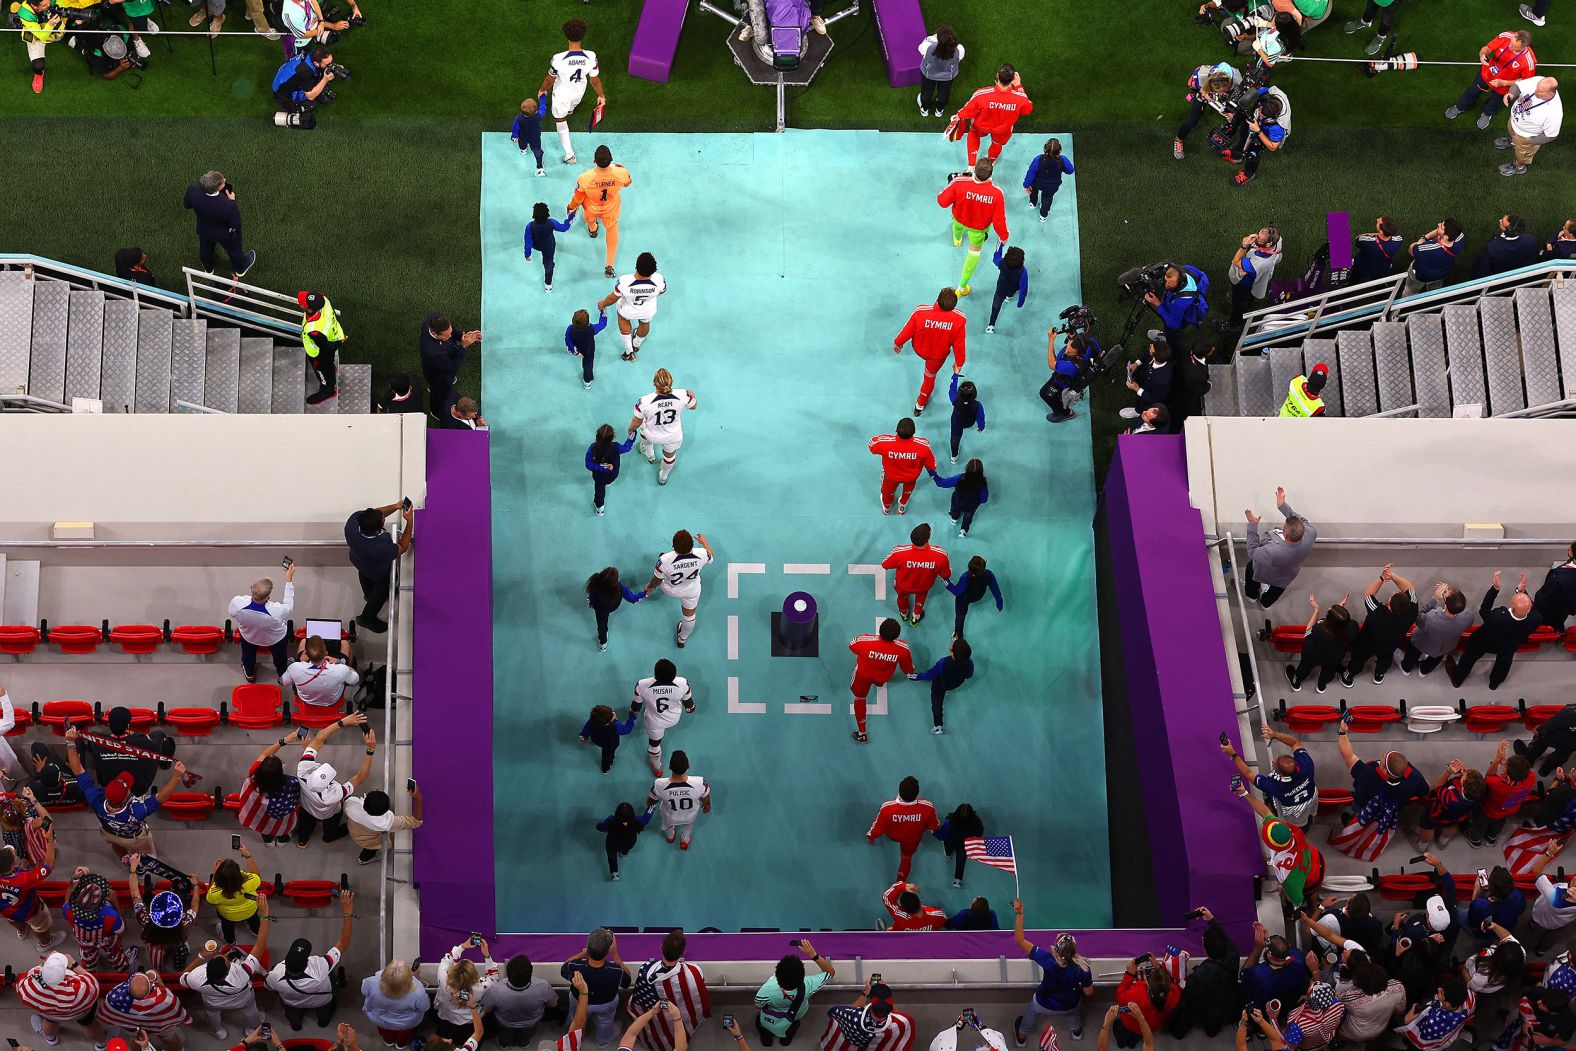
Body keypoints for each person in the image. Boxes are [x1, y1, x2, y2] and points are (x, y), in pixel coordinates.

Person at [65, 726, 184, 858]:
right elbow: (160, 798)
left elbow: (78, 772)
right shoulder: (136, 811)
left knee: (116, 845)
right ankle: (146, 862)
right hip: (134, 838)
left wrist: (70, 743)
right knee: (147, 850)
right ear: (126, 795)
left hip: (109, 833)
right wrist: (177, 777)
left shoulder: (96, 799)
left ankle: (124, 861)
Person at [1328, 724, 1429, 860]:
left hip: (1363, 805)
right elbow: (1426, 789)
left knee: (1357, 814)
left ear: (1384, 770)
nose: (1382, 756)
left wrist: (1342, 733)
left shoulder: (1368, 774)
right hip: (1390, 812)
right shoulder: (1415, 777)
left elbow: (1348, 756)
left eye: (1383, 760)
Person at [180, 893, 270, 1038]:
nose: (223, 956)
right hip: (242, 1000)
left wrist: (201, 956)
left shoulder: (196, 977)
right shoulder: (241, 975)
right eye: (226, 960)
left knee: (212, 1014)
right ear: (228, 970)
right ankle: (252, 1029)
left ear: (207, 968)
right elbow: (260, 945)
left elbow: (183, 977)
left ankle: (217, 1031)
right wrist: (264, 914)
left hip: (212, 1001)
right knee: (251, 1011)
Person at [265, 890, 355, 1030]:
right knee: (325, 1012)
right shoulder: (320, 968)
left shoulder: (276, 974)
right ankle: (323, 1022)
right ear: (307, 962)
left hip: (292, 1003)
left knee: (293, 1015)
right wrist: (347, 912)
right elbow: (343, 944)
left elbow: (269, 987)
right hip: (322, 1001)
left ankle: (296, 1025)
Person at [1011, 900, 1094, 1042]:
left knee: (1032, 1010)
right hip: (1070, 1003)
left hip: (1044, 1002)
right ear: (1074, 949)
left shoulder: (1047, 959)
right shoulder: (1084, 966)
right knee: (1074, 1013)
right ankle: (1077, 1032)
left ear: (1057, 948)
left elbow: (1020, 939)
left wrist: (1019, 912)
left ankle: (1022, 1036)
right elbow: (1089, 992)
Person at [1447, 571, 1543, 690]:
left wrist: (1495, 589)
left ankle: (1457, 679)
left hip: (1483, 642)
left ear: (1512, 607)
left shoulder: (1497, 617)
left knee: (1469, 658)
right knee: (1504, 663)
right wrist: (1521, 591)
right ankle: (1494, 683)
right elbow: (1529, 607)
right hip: (1509, 645)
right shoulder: (1536, 618)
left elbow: (1484, 610)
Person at [296, 714, 374, 846]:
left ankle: (302, 841)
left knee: (304, 827)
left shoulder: (303, 769)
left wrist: (343, 722)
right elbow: (361, 776)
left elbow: (319, 738)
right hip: (329, 813)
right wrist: (370, 749)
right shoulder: (335, 793)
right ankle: (328, 838)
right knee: (330, 829)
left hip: (306, 806)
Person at [537, 19, 605, 166]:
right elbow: (595, 80)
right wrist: (601, 96)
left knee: (560, 119)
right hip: (579, 92)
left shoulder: (558, 58)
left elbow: (549, 79)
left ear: (566, 36)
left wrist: (542, 90)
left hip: (561, 96)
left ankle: (569, 154)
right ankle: (570, 110)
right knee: (570, 108)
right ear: (583, 35)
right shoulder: (591, 57)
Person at [936, 161, 1007, 297]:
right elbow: (999, 220)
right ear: (991, 175)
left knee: (957, 228)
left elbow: (942, 201)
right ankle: (961, 288)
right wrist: (1004, 236)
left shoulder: (958, 182)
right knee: (973, 254)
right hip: (978, 231)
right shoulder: (997, 193)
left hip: (959, 220)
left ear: (974, 171)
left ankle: (957, 240)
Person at [1224, 726, 1317, 829]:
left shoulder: (1274, 786)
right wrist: (1275, 735)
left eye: (1274, 763)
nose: (1272, 761)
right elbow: (1295, 743)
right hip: (1312, 795)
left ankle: (1302, 830)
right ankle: (1310, 817)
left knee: (1299, 826)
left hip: (1295, 810)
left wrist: (1233, 755)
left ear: (1280, 774)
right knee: (1311, 812)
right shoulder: (1307, 764)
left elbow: (1249, 773)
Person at [893, 290, 968, 415]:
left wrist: (898, 343)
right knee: (929, 378)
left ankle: (920, 404)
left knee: (929, 378)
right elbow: (959, 345)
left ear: (938, 300)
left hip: (920, 349)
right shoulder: (959, 319)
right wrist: (959, 363)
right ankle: (920, 405)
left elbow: (907, 330)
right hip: (937, 357)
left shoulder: (921, 311)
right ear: (954, 305)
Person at [344, 500, 413, 634]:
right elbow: (403, 547)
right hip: (378, 571)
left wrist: (395, 506)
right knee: (383, 586)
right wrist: (410, 521)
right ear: (378, 529)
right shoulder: (381, 547)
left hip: (359, 560)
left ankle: (369, 595)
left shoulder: (352, 523)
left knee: (364, 574)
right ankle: (367, 617)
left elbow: (375, 514)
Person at [1447, 30, 1537, 131]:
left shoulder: (1529, 61)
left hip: (1503, 86)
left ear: (1524, 47)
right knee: (1472, 91)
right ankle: (1460, 106)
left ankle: (1487, 114)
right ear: (1513, 36)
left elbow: (1525, 81)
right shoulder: (1506, 36)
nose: (1510, 46)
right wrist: (1482, 55)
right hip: (1487, 73)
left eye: (1515, 47)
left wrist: (1504, 83)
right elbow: (1487, 48)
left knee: (1495, 101)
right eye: (1511, 43)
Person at [1244, 488, 1317, 608]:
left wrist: (1252, 526)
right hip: (1287, 575)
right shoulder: (1311, 533)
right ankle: (1265, 604)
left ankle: (1251, 596)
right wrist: (1282, 506)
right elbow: (1302, 520)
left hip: (1265, 572)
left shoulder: (1272, 552)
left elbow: (1252, 551)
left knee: (1250, 568)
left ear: (1285, 534)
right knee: (1277, 589)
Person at [561, 928, 633, 1049]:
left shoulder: (574, 966)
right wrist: (615, 954)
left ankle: (576, 1036)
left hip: (578, 1002)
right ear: (607, 951)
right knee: (605, 1021)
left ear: (588, 948)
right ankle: (603, 1042)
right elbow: (627, 981)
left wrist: (583, 953)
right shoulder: (617, 971)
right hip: (605, 1004)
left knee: (576, 1018)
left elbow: (564, 967)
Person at [1344, 565, 1417, 685]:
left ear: (1389, 605)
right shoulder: (1412, 610)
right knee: (1385, 660)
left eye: (1393, 595)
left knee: (1358, 659)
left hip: (1367, 643)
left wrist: (1383, 577)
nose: (1393, 592)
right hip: (1389, 645)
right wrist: (1393, 576)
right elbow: (1410, 588)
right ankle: (1379, 675)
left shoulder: (1377, 612)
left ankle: (1349, 676)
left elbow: (1368, 594)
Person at [754, 939, 835, 1046]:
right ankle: (785, 1041)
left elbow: (758, 1004)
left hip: (770, 1019)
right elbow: (830, 972)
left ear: (777, 975)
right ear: (802, 976)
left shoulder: (768, 988)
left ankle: (766, 1040)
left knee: (762, 1027)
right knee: (791, 1030)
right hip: (794, 1017)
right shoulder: (809, 985)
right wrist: (814, 955)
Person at [569, 145, 633, 279]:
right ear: (611, 159)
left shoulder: (584, 178)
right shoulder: (621, 172)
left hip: (592, 208)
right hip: (611, 208)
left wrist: (571, 206)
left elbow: (578, 198)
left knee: (589, 219)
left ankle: (593, 229)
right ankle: (609, 265)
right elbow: (628, 183)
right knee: (612, 228)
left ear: (594, 160)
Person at [16, 951, 104, 1047]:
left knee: (50, 1022)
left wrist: (47, 962)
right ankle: (102, 1043)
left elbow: (30, 974)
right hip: (81, 1013)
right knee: (89, 1025)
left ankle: (50, 1038)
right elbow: (93, 984)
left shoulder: (27, 984)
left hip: (50, 1013)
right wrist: (74, 965)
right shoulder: (78, 990)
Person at [125, 853, 196, 972]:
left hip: (154, 944)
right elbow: (194, 907)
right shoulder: (184, 921)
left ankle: (159, 972)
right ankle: (178, 966)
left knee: (156, 964)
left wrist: (133, 869)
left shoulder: (145, 919)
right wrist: (197, 885)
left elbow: (135, 894)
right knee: (180, 954)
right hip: (177, 940)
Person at [848, 619, 915, 744]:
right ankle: (878, 684)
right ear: (897, 636)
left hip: (862, 676)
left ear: (880, 631)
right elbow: (908, 669)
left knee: (859, 698)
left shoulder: (865, 641)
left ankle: (862, 733)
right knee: (879, 683)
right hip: (883, 677)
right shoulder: (903, 649)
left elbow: (851, 645)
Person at [645, 529, 715, 649]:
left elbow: (657, 579)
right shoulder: (703, 553)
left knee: (662, 566)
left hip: (670, 590)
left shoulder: (664, 560)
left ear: (673, 546)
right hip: (691, 590)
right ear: (692, 545)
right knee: (689, 617)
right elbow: (711, 557)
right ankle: (682, 639)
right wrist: (705, 543)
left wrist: (650, 587)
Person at [628, 368, 697, 487]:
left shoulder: (644, 401)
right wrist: (691, 394)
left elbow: (636, 421)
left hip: (652, 435)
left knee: (643, 426)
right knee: (670, 456)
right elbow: (693, 406)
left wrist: (630, 430)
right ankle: (663, 477)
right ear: (671, 382)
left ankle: (650, 455)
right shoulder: (683, 394)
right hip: (673, 436)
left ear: (654, 383)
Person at [182, 172, 257, 279]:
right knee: (234, 250)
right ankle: (241, 267)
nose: (225, 180)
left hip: (204, 229)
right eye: (223, 182)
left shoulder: (192, 191)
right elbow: (235, 224)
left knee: (206, 249)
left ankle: (208, 268)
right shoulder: (228, 205)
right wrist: (232, 201)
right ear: (217, 188)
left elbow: (187, 205)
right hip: (224, 234)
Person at [955, 64, 1033, 167]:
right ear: (1013, 79)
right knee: (997, 144)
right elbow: (1027, 110)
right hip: (1003, 129)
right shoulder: (1020, 98)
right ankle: (989, 165)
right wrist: (1018, 86)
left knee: (973, 132)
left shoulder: (982, 94)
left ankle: (971, 166)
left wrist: (958, 115)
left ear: (997, 75)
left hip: (981, 125)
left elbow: (967, 111)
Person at [630, 658, 695, 777]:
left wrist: (633, 712)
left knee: (654, 744)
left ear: (655, 674)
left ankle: (657, 767)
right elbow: (688, 701)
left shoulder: (642, 685)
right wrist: (690, 708)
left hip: (654, 722)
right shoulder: (682, 683)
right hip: (674, 718)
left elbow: (636, 705)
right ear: (674, 674)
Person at [597, 252, 667, 362]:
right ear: (654, 269)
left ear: (637, 266)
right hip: (648, 310)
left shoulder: (624, 281)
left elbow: (613, 298)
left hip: (627, 310)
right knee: (645, 324)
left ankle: (629, 352)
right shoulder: (659, 280)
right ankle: (636, 344)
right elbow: (662, 291)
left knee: (622, 319)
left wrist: (603, 304)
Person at [95, 971, 192, 1049]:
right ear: (150, 987)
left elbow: (108, 1010)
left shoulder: (115, 997)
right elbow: (176, 1009)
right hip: (161, 1027)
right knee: (170, 1038)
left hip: (132, 1029)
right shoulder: (164, 1000)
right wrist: (156, 976)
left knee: (136, 1041)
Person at [867, 775, 937, 880]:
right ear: (917, 793)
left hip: (893, 835)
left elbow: (878, 826)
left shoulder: (887, 808)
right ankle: (899, 884)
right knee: (906, 858)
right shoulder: (928, 807)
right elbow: (934, 826)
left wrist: (871, 836)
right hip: (911, 840)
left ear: (899, 792)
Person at [1466, 741, 1536, 846]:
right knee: (1499, 824)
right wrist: (1503, 761)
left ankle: (1475, 840)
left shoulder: (1496, 784)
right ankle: (1491, 838)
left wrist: (1497, 759)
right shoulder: (1531, 776)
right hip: (1509, 809)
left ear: (1507, 774)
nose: (1504, 762)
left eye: (1505, 764)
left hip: (1488, 811)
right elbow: (1515, 772)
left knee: (1479, 825)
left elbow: (1488, 777)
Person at [0, 836, 62, 952]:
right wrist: (50, 841)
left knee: (12, 919)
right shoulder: (23, 878)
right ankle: (45, 943)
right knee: (41, 926)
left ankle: (22, 931)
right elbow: (47, 867)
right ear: (13, 865)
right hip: (30, 911)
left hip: (5, 910)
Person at [882, 523, 952, 625]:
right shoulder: (940, 555)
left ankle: (904, 614)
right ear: (928, 538)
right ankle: (915, 617)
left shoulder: (899, 552)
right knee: (921, 599)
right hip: (923, 586)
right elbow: (946, 575)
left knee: (902, 598)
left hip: (903, 586)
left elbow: (885, 564)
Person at [237, 735, 301, 846]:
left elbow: (264, 754)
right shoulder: (292, 783)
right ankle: (282, 839)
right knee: (282, 827)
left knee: (265, 828)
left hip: (261, 817)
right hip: (283, 816)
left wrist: (284, 741)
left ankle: (268, 841)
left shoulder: (253, 774)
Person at [482, 955, 558, 1046]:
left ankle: (504, 1044)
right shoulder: (544, 986)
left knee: (504, 1037)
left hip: (505, 1023)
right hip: (531, 1023)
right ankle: (524, 1044)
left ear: (508, 973)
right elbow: (553, 1004)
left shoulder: (495, 990)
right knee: (526, 1037)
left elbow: (486, 1009)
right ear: (530, 973)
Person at [1401, 582, 1474, 676]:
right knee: (1434, 660)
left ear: (1446, 605)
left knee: (1411, 655)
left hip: (1421, 642)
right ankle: (1423, 671)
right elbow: (1459, 606)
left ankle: (1406, 670)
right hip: (1444, 647)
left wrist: (1434, 599)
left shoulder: (1431, 618)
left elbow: (1418, 618)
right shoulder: (1468, 616)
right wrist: (1450, 596)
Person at [434, 937, 499, 1043]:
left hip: (447, 1016)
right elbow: (493, 977)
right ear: (475, 976)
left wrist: (462, 946)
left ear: (453, 970)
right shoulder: (481, 988)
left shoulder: (443, 978)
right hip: (471, 1020)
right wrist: (487, 955)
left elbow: (447, 959)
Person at [1173, 61, 1241, 160]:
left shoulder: (1237, 81)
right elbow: (1203, 90)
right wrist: (1207, 96)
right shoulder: (1205, 76)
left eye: (1220, 91)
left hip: (1227, 93)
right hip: (1206, 92)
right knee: (1193, 119)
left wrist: (1226, 108)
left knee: (1234, 113)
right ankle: (1178, 140)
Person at [1285, 595, 1352, 695]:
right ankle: (1321, 685)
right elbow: (1340, 625)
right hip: (1334, 657)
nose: (1329, 608)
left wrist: (1316, 610)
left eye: (1330, 611)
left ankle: (1296, 682)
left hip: (1313, 655)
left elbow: (1307, 633)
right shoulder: (1352, 628)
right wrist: (1339, 613)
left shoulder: (1319, 629)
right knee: (1329, 671)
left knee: (1305, 667)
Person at [869, 418, 937, 516]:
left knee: (887, 493)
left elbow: (871, 444)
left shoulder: (885, 443)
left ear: (896, 430)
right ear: (914, 432)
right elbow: (932, 465)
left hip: (891, 477)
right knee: (907, 492)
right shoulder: (924, 446)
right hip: (911, 478)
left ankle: (887, 508)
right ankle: (902, 507)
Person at [345, 780, 422, 865]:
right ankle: (363, 860)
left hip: (352, 828)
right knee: (370, 850)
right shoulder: (384, 823)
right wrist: (419, 798)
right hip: (367, 841)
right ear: (385, 811)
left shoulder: (351, 803)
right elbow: (415, 821)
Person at [360, 958, 433, 1049]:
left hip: (381, 1019)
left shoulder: (372, 983)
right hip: (406, 1023)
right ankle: (401, 1045)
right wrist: (416, 979)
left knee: (385, 1032)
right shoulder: (417, 992)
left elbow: (363, 990)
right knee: (404, 1036)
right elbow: (424, 1007)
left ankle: (388, 1041)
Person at [1412, 760, 1485, 851]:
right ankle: (1443, 842)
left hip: (1437, 815)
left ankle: (1422, 846)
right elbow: (1476, 781)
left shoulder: (1451, 799)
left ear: (1464, 787)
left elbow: (1437, 787)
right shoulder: (1480, 792)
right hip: (1458, 816)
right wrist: (1467, 773)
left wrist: (1448, 771)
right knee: (1450, 826)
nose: (1463, 773)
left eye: (1464, 776)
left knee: (1427, 828)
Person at [1499, 75, 1563, 176]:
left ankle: (1519, 167)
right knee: (1512, 134)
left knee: (1522, 155)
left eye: (1540, 91)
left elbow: (1551, 135)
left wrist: (1531, 141)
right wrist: (1511, 94)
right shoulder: (1539, 81)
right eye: (1537, 87)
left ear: (1550, 93)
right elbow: (1518, 85)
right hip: (1514, 121)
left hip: (1526, 135)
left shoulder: (1554, 112)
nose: (1536, 91)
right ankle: (1513, 142)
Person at [420, 314, 484, 416]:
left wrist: (463, 336)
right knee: (438, 391)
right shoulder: (433, 352)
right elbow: (452, 368)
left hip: (443, 360)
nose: (450, 336)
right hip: (438, 374)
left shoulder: (434, 319)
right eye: (446, 336)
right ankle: (435, 411)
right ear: (434, 334)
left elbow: (452, 331)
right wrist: (464, 346)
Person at [647, 750, 710, 849]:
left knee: (667, 827)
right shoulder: (700, 782)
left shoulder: (658, 784)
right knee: (689, 826)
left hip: (670, 816)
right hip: (690, 815)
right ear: (688, 765)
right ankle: (685, 840)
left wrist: (649, 804)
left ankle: (670, 837)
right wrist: (707, 805)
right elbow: (705, 798)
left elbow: (652, 800)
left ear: (669, 767)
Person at [1114, 956, 1179, 1048]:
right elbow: (1166, 982)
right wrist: (1159, 968)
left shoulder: (1136, 994)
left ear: (1149, 985)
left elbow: (1120, 996)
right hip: (1151, 1026)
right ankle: (1133, 1041)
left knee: (1122, 1034)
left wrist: (1129, 974)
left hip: (1131, 1024)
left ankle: (1123, 1043)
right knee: (1139, 1034)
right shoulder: (1175, 993)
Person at [1142, 264, 1209, 353]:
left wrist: (1157, 303)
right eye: (1166, 280)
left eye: (1170, 283)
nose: (1166, 284)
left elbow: (1173, 323)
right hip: (1192, 302)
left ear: (1180, 282)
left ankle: (1171, 348)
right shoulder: (1188, 269)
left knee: (1173, 336)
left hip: (1180, 321)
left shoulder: (1179, 303)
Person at [282, 635, 360, 711]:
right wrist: (339, 662)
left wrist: (296, 662)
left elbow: (284, 683)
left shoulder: (294, 668)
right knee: (345, 643)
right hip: (331, 701)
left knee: (303, 641)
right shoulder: (341, 669)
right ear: (326, 653)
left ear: (306, 654)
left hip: (306, 699)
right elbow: (355, 680)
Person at [913, 637, 973, 735]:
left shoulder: (943, 663)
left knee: (937, 704)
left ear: (952, 652)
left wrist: (917, 676)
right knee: (947, 689)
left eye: (953, 644)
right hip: (955, 683)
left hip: (940, 685)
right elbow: (969, 675)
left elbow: (930, 675)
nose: (952, 643)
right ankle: (938, 726)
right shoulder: (969, 662)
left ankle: (938, 726)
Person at [1231, 88, 1291, 186]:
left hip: (1266, 132)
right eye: (1259, 109)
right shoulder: (1274, 93)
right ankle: (1238, 154)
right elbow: (1259, 89)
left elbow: (1272, 147)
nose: (1258, 112)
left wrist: (1258, 131)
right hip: (1258, 124)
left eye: (1261, 114)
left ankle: (1249, 174)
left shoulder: (1278, 127)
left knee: (1254, 151)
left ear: (1271, 117)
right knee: (1244, 131)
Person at [1227, 228, 1283, 329]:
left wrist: (1244, 245)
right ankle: (1248, 302)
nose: (1256, 238)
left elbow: (1235, 261)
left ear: (1268, 245)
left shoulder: (1257, 263)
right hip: (1260, 276)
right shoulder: (1278, 241)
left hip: (1244, 283)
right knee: (1251, 295)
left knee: (1240, 303)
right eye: (1259, 234)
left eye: (1260, 240)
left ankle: (1234, 324)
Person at [1394, 978, 1474, 1048]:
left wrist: (1411, 1011)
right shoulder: (1469, 1000)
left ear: (1447, 1004)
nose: (1438, 989)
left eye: (1441, 992)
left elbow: (1408, 1022)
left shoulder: (1434, 1021)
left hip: (1423, 1045)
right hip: (1440, 1041)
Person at [205, 847, 262, 944]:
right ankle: (257, 932)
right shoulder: (250, 881)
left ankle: (230, 941)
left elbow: (210, 900)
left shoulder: (215, 893)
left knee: (227, 926)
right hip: (251, 909)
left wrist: (215, 874)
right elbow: (257, 874)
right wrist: (248, 855)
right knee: (254, 919)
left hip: (228, 916)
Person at [271, 48, 338, 130]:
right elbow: (310, 96)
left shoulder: (312, 54)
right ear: (316, 63)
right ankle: (296, 112)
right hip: (282, 94)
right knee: (309, 116)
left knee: (318, 79)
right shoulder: (305, 72)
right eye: (328, 64)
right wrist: (325, 79)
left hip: (283, 79)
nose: (330, 65)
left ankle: (316, 92)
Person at [585, 566, 646, 651]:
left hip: (600, 609)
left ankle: (603, 643)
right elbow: (632, 598)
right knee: (602, 624)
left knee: (602, 625)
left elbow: (592, 596)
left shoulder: (595, 582)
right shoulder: (619, 586)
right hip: (612, 605)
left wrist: (591, 603)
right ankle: (603, 644)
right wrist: (644, 594)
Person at [1402, 219, 1466, 295]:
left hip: (1420, 275)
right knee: (1434, 292)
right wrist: (1439, 232)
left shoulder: (1428, 248)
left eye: (1441, 227)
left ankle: (1405, 303)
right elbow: (1442, 235)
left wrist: (1424, 238)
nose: (1438, 224)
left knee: (1410, 291)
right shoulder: (1459, 238)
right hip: (1440, 274)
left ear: (1445, 237)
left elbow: (1411, 249)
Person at [523, 201, 576, 293]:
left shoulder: (529, 226)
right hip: (549, 246)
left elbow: (528, 242)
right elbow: (564, 228)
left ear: (534, 214)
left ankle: (549, 265)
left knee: (548, 261)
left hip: (537, 245)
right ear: (547, 213)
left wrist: (527, 254)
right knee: (548, 263)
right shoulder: (551, 222)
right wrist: (570, 218)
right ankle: (548, 285)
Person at [947, 557, 1002, 639]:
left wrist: (946, 582)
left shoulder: (965, 577)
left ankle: (958, 635)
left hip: (963, 599)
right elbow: (995, 588)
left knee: (960, 616)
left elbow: (956, 592)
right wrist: (999, 601)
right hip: (977, 596)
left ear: (969, 567)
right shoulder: (989, 574)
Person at [16, 0, 64, 93]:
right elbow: (41, 36)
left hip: (49, 23)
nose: (49, 5)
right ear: (35, 6)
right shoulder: (25, 13)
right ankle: (39, 74)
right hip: (36, 34)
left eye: (49, 2)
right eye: (45, 5)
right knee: (38, 66)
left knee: (63, 31)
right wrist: (50, 25)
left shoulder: (49, 2)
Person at [1041, 330, 1088, 424]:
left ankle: (1065, 413)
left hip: (1062, 384)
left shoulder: (1069, 367)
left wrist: (1051, 340)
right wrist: (1072, 336)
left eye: (1070, 352)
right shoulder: (1088, 345)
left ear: (1079, 354)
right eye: (1067, 346)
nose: (1066, 352)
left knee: (1045, 393)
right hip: (1075, 378)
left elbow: (1051, 364)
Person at [1022, 139, 1074, 223]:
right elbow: (1070, 171)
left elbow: (1030, 173)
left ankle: (1033, 203)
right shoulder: (1063, 160)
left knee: (1033, 191)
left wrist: (1026, 185)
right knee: (1047, 199)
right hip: (1052, 186)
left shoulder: (1038, 159)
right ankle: (1043, 216)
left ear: (1045, 149)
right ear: (1059, 151)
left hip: (1037, 183)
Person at [595, 801, 650, 880]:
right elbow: (646, 818)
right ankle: (624, 854)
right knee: (625, 847)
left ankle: (615, 873)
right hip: (629, 842)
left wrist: (598, 824)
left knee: (612, 856)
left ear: (617, 812)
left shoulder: (611, 819)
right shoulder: (637, 820)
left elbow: (600, 828)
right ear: (632, 813)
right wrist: (651, 807)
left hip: (612, 843)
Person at [933, 802, 983, 887]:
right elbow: (979, 833)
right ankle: (957, 881)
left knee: (948, 850)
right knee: (961, 861)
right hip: (964, 845)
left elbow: (941, 835)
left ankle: (948, 856)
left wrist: (934, 832)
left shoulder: (950, 820)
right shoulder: (976, 820)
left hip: (951, 841)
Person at [916, 26, 963, 117]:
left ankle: (925, 110)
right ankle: (939, 110)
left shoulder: (927, 46)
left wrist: (932, 38)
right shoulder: (959, 49)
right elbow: (959, 59)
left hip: (929, 74)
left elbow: (920, 48)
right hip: (948, 76)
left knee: (926, 91)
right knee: (944, 93)